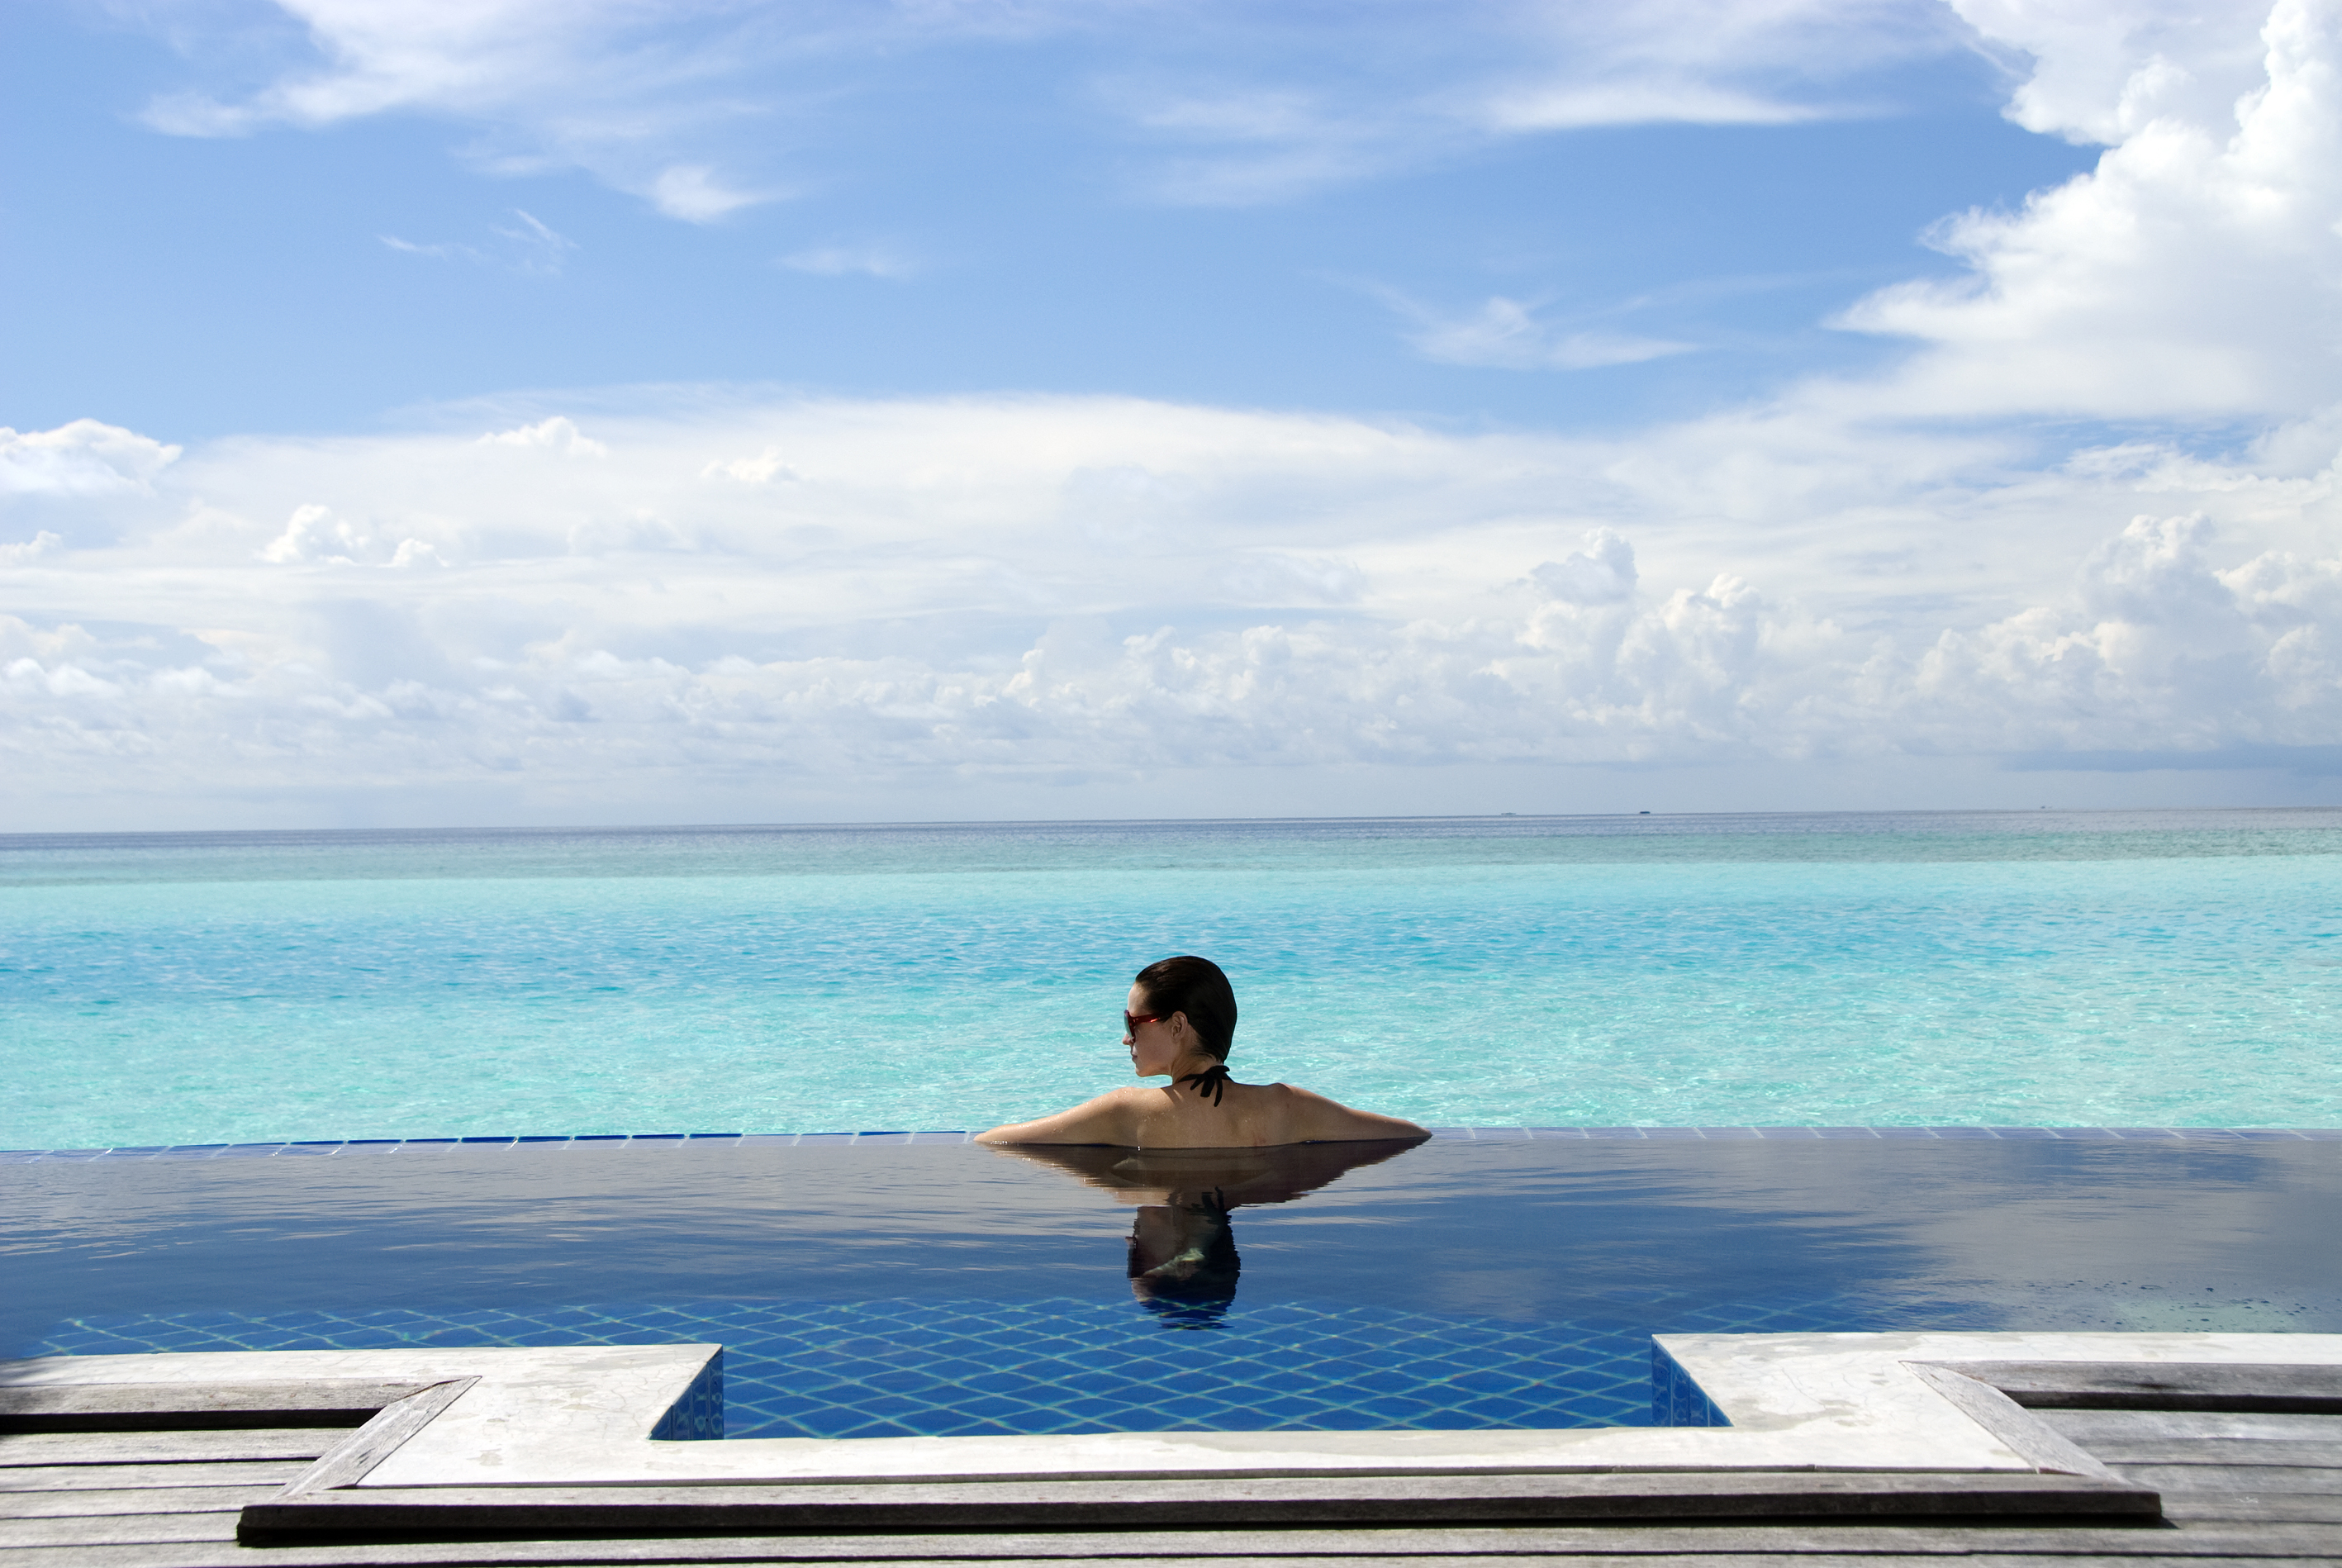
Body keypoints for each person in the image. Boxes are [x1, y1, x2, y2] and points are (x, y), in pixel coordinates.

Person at [974, 955, 1428, 1148]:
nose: (1126, 1039)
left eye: (1132, 1023)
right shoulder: (1286, 1106)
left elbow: (995, 1141)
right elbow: (1410, 1135)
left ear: (1177, 1026)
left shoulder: (1124, 1112)